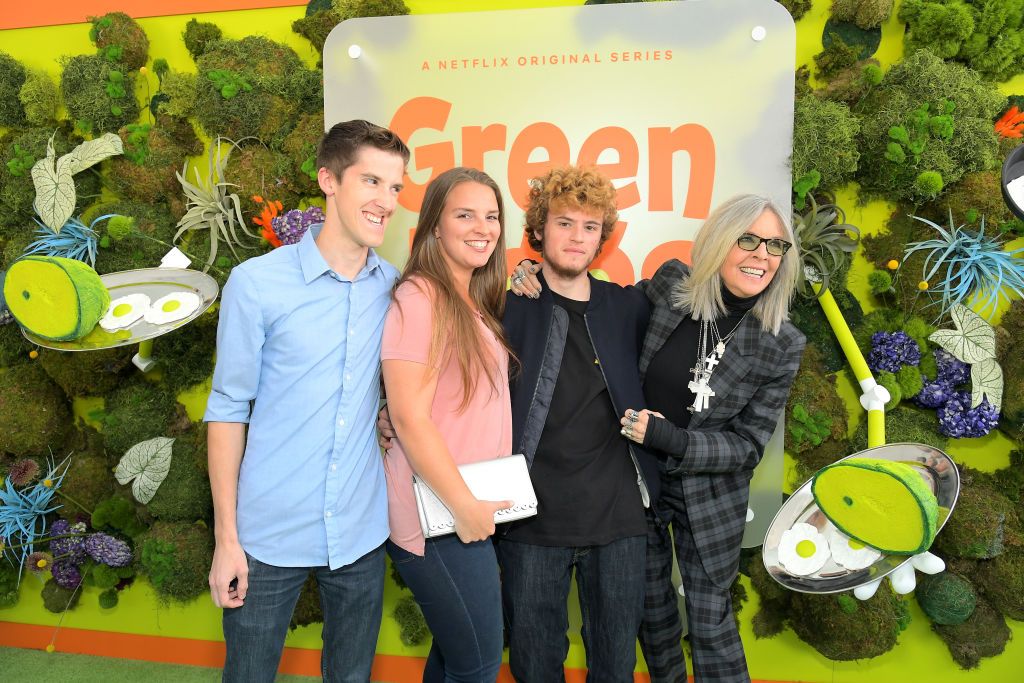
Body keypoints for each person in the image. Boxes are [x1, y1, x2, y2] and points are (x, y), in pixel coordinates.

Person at [511, 193, 805, 683]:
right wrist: (532, 270)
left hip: (708, 495)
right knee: (652, 617)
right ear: (718, 242)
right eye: (748, 239)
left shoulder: (781, 343)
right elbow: (593, 305)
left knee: (711, 622)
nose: (762, 255)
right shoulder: (671, 286)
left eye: (775, 246)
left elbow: (750, 445)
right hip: (633, 483)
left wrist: (674, 440)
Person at [205, 120, 409, 683]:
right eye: (372, 181)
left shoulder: (395, 287)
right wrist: (227, 541)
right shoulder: (256, 284)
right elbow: (227, 410)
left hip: (360, 532)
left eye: (395, 187)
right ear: (328, 180)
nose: (386, 201)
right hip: (266, 534)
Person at [500, 166, 661, 682]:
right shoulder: (508, 304)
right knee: (533, 665)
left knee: (615, 667)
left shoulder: (627, 306)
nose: (576, 237)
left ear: (602, 239)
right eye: (565, 223)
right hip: (529, 516)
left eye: (589, 228)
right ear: (539, 229)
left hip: (617, 517)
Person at [381, 166, 513, 683]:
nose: (483, 227)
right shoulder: (420, 297)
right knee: (478, 664)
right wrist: (464, 508)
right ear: (435, 225)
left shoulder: (467, 299)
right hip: (438, 517)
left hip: (461, 507)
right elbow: (410, 417)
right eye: (465, 215)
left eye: (492, 216)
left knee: (458, 657)